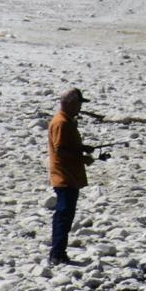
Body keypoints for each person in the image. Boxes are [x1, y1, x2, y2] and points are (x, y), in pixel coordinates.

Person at [48, 88, 95, 266]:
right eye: (78, 103)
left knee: (65, 216)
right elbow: (60, 149)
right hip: (64, 177)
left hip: (69, 177)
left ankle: (59, 253)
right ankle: (57, 254)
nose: (80, 107)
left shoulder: (67, 121)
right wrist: (82, 156)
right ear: (68, 103)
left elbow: (66, 146)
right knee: (63, 216)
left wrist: (83, 148)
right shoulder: (61, 122)